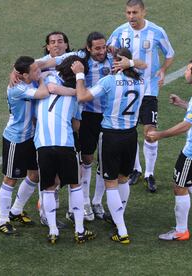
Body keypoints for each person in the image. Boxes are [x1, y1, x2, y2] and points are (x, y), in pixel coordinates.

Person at [48, 32, 147, 222]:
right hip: (89, 117)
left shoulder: (114, 57)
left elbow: (142, 63)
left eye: (104, 47)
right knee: (87, 159)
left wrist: (129, 62)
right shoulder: (81, 58)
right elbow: (51, 62)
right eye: (97, 49)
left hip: (110, 118)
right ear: (88, 48)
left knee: (106, 164)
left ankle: (97, 201)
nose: (102, 52)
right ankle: (84, 201)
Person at [72, 48, 146, 244]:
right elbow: (143, 64)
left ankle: (121, 231)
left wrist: (80, 74)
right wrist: (130, 62)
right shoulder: (140, 80)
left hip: (111, 136)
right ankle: (117, 217)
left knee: (110, 183)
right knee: (123, 179)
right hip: (131, 135)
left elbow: (82, 96)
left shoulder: (109, 81)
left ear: (117, 63)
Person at [147, 59, 192, 241]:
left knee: (179, 187)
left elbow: (185, 126)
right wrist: (182, 104)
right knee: (191, 181)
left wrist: (159, 134)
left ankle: (181, 231)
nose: (184, 73)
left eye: (187, 70)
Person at [108, 0, 175, 192]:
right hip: (127, 88)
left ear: (143, 12)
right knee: (130, 130)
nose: (131, 17)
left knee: (150, 132)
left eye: (135, 12)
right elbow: (110, 50)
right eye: (128, 13)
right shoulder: (120, 31)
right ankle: (136, 169)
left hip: (149, 89)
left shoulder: (156, 31)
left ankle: (149, 173)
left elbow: (169, 54)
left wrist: (162, 69)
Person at [35, 55, 96, 244]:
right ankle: (79, 230)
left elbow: (39, 71)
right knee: (74, 184)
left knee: (48, 187)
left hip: (43, 144)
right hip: (65, 144)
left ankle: (53, 231)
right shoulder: (78, 96)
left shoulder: (47, 80)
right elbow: (76, 126)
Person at [0, 56, 51, 235]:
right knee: (10, 179)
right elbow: (43, 93)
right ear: (23, 75)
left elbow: (45, 65)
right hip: (15, 139)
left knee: (34, 174)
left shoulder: (26, 80)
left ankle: (16, 211)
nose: (38, 72)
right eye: (35, 71)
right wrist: (43, 79)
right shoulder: (17, 89)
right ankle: (3, 220)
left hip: (30, 137)